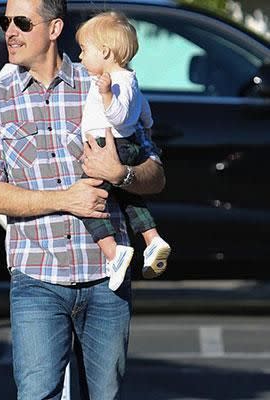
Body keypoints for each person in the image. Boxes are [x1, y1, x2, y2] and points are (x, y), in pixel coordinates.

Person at [0, 0, 165, 399]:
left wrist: (121, 174)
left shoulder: (105, 86)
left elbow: (155, 174)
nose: (10, 32)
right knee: (37, 394)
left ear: (54, 29)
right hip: (37, 277)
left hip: (107, 276)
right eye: (5, 22)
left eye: (22, 22)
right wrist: (65, 199)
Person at [76, 11, 171, 291]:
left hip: (109, 147)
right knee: (130, 197)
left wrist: (106, 95)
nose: (80, 57)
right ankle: (152, 240)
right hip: (125, 145)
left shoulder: (114, 81)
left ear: (104, 51)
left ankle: (114, 253)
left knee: (87, 200)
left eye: (84, 50)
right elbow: (144, 109)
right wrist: (147, 127)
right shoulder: (130, 77)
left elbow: (118, 116)